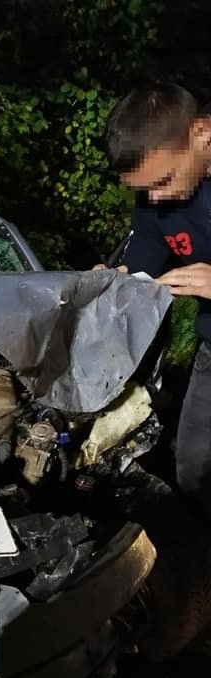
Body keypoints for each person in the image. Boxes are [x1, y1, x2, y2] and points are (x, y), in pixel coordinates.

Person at [103, 82, 211, 506]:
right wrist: (111, 284)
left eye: (163, 180)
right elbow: (140, 269)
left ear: (202, 134)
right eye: (144, 190)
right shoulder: (154, 201)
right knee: (195, 472)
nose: (155, 198)